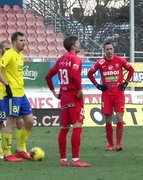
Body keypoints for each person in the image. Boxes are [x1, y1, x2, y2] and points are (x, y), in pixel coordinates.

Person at [45, 36, 91, 167]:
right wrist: (80, 89)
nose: (79, 45)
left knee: (64, 128)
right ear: (73, 46)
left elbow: (48, 76)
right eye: (78, 43)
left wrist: (54, 92)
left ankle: (63, 160)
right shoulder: (75, 59)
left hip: (64, 97)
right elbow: (73, 75)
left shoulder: (61, 60)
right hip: (74, 96)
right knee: (77, 126)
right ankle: (76, 160)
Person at [0, 32, 34, 162]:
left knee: (29, 121)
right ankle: (7, 153)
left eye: (24, 40)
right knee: (11, 122)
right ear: (14, 42)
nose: (24, 42)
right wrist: (7, 85)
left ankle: (21, 149)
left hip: (21, 94)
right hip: (13, 95)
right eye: (21, 40)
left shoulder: (20, 55)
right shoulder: (9, 54)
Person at [87, 42, 134, 151]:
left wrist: (126, 82)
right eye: (107, 49)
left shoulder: (120, 60)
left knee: (119, 118)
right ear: (104, 51)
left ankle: (119, 143)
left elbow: (131, 70)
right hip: (106, 94)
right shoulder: (100, 62)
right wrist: (97, 85)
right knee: (108, 120)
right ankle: (110, 144)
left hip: (118, 93)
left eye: (111, 48)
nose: (109, 51)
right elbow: (90, 74)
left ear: (114, 49)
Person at [0, 40, 25, 160]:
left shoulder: (11, 61)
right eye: (6, 49)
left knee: (19, 121)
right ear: (0, 49)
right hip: (0, 98)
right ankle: (0, 150)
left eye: (10, 49)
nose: (9, 51)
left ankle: (20, 149)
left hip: (12, 97)